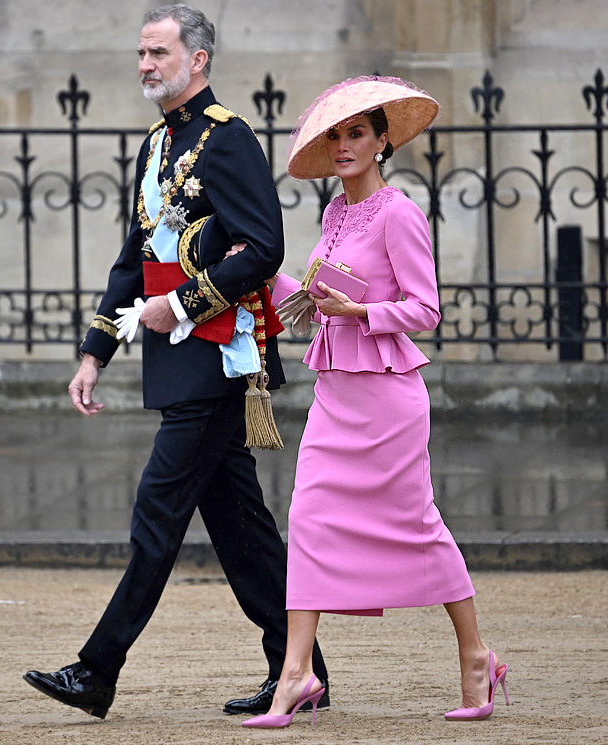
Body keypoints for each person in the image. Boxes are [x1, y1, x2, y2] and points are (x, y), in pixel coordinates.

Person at [23, 4, 328, 720]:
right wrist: (95, 350)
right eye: (140, 53)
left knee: (156, 514)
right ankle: (302, 671)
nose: (144, 65)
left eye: (158, 52)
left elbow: (263, 248)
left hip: (217, 356)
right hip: (177, 356)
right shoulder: (156, 145)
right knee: (243, 531)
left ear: (198, 59)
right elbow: (134, 260)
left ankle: (97, 669)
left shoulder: (229, 140)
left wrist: (185, 304)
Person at [239, 76, 510, 729]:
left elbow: (424, 309)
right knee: (306, 518)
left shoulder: (398, 211)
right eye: (334, 134)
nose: (342, 144)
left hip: (387, 401)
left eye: (356, 132)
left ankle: (475, 655)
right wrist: (251, 267)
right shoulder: (333, 214)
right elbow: (311, 303)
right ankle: (297, 671)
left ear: (383, 140)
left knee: (416, 525)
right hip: (335, 396)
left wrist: (359, 308)